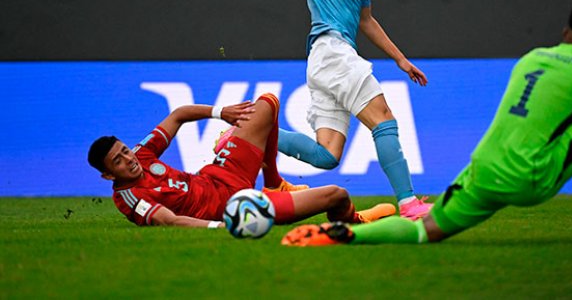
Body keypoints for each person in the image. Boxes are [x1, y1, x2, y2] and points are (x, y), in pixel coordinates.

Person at [280, 3, 572, 246]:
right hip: (533, 175)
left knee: (424, 231)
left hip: (483, 169)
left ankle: (342, 235)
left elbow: (546, 122)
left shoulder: (531, 59)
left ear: (565, 31)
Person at [214, 0, 432, 219]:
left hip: (330, 60)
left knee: (327, 155)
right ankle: (409, 204)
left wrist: (400, 59)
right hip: (331, 52)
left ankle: (243, 132)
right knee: (383, 118)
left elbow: (365, 19)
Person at [87, 93, 396, 229]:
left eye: (125, 150)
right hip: (238, 207)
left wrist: (222, 113)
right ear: (107, 176)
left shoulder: (142, 154)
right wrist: (220, 226)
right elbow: (167, 220)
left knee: (266, 104)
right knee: (336, 195)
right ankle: (355, 223)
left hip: (220, 174)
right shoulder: (128, 197)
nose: (129, 159)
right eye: (118, 161)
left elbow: (179, 114)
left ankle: (275, 182)